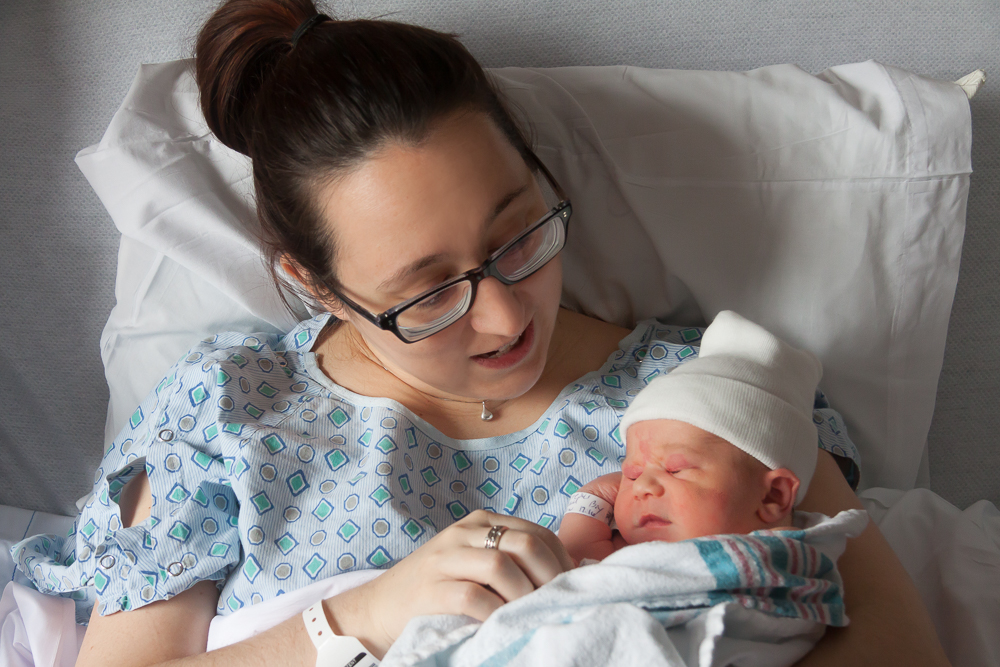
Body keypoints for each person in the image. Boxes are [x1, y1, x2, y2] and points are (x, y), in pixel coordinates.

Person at [11, 1, 950, 666]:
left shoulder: (710, 397)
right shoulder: (225, 413)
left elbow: (896, 646)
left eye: (520, 236)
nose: (505, 316)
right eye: (426, 294)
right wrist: (361, 616)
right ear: (318, 285)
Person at [558, 310, 846, 563]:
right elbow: (575, 565)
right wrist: (591, 498)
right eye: (632, 473)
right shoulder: (625, 558)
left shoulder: (780, 560)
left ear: (773, 495)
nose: (641, 487)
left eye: (675, 469)